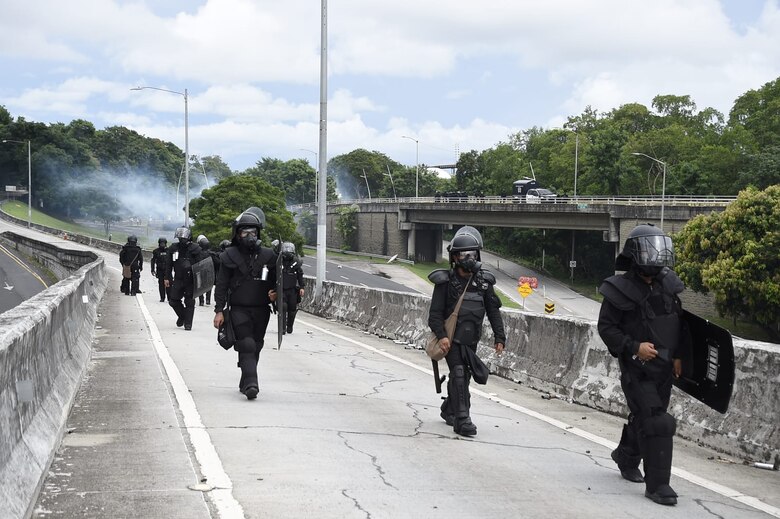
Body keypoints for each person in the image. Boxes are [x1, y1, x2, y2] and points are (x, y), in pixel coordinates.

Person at [597, 223, 691, 506]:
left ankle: (625, 457)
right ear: (636, 254)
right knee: (659, 421)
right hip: (637, 369)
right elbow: (607, 328)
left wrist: (679, 355)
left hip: (664, 369)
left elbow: (681, 324)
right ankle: (658, 486)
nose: (656, 256)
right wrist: (634, 347)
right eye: (649, 250)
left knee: (647, 417)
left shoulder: (668, 284)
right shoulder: (619, 288)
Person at [427, 226, 506, 437]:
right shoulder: (445, 282)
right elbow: (434, 315)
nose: (469, 258)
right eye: (464, 254)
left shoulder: (484, 282)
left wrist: (500, 337)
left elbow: (493, 311)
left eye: (472, 254)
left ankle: (449, 409)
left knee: (465, 376)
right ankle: (463, 421)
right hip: (451, 339)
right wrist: (442, 336)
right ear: (455, 257)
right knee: (459, 373)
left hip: (471, 339)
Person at [213, 207, 278, 400]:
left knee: (256, 345)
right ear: (238, 234)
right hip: (238, 309)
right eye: (245, 232)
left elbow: (277, 282)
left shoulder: (269, 256)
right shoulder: (229, 256)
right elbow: (222, 285)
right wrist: (219, 310)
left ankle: (245, 377)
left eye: (253, 232)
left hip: (262, 309)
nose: (250, 236)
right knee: (247, 343)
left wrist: (275, 294)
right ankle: (252, 383)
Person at [164, 227, 206, 331]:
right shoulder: (173, 248)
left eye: (184, 238)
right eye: (180, 238)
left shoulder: (195, 249)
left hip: (191, 279)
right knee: (173, 301)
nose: (182, 240)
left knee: (190, 302)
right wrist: (166, 277)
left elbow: (200, 265)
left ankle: (188, 324)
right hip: (178, 278)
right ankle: (182, 316)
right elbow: (169, 264)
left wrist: (199, 281)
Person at [279, 241, 304, 333]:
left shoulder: (296, 263)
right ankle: (282, 328)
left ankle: (289, 326)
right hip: (281, 289)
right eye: (286, 249)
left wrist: (302, 287)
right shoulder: (278, 261)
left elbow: (300, 275)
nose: (287, 251)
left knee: (292, 308)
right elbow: (273, 275)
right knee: (283, 306)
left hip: (292, 289)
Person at [196, 234, 217, 307]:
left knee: (200, 286)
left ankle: (201, 301)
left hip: (200, 271)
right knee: (209, 286)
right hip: (209, 271)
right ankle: (208, 300)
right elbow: (217, 262)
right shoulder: (212, 253)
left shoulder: (197, 253)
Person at [150, 237, 170, 302]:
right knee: (161, 284)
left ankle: (169, 298)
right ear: (159, 243)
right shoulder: (156, 251)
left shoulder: (169, 251)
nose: (162, 245)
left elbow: (173, 260)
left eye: (163, 243)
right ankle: (162, 297)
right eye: (161, 243)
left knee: (168, 284)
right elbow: (153, 261)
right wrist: (152, 270)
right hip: (160, 270)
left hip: (167, 270)